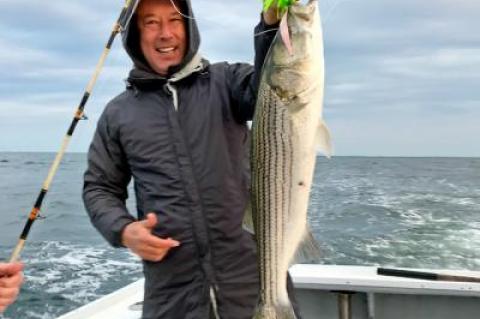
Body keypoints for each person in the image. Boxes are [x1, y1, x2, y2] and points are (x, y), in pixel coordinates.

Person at [83, 0, 292, 318]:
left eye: (174, 20)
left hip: (253, 285)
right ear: (135, 36)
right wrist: (124, 230)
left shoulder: (227, 82)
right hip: (172, 299)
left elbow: (272, 90)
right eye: (151, 23)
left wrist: (270, 26)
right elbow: (98, 187)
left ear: (189, 26)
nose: (165, 33)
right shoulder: (118, 113)